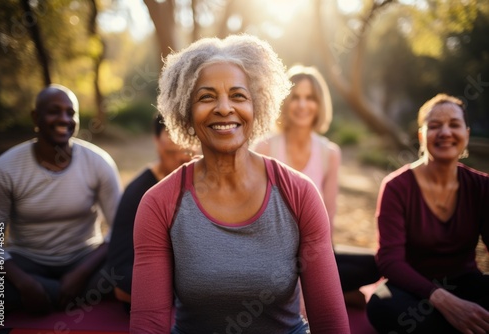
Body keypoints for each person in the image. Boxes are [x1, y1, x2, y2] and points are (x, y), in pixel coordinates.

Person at [130, 35, 350, 333]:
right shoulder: (159, 204)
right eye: (206, 97)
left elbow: (330, 323)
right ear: (185, 111)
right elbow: (149, 325)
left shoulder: (300, 193)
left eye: (238, 95)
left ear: (257, 105)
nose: (223, 108)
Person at [0, 84, 122, 315]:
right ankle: (65, 296)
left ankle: (47, 296)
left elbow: (119, 230)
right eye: (54, 111)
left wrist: (80, 274)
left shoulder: (98, 163)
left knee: (131, 266)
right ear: (36, 117)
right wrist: (24, 283)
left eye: (70, 113)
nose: (64, 119)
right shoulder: (4, 169)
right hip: (27, 263)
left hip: (86, 260)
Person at [253, 65, 379, 308]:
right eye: (295, 97)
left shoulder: (329, 153)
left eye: (309, 98)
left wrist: (317, 261)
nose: (302, 105)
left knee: (375, 264)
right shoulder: (265, 148)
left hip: (312, 248)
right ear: (285, 102)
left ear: (319, 104)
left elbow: (327, 215)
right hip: (271, 251)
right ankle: (331, 292)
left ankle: (326, 288)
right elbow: (256, 215)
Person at [366, 93, 489, 333]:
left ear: (467, 134)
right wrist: (445, 301)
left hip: (466, 283)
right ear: (421, 135)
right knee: (382, 307)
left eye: (454, 124)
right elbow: (390, 261)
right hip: (412, 289)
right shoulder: (396, 186)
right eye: (434, 126)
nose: (445, 132)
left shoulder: (482, 186)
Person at [107, 114, 194, 306]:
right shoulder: (138, 194)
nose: (181, 159)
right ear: (156, 143)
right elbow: (120, 275)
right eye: (171, 152)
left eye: (188, 152)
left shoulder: (210, 184)